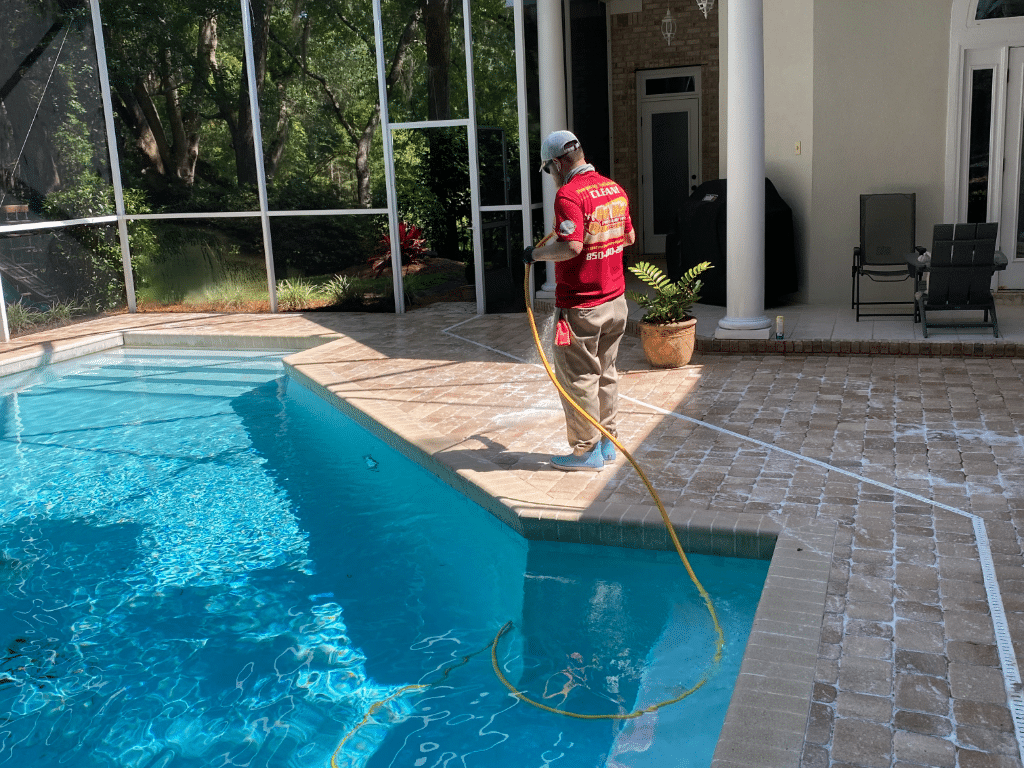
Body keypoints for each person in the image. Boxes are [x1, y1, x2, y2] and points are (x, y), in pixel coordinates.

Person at [523, 130, 636, 471]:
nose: (550, 175)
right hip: (616, 301)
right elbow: (629, 237)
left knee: (579, 378)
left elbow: (571, 247)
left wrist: (534, 254)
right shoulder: (613, 189)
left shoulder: (568, 195)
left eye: (548, 169)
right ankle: (607, 441)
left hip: (583, 306)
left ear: (558, 163)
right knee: (606, 372)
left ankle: (586, 452)